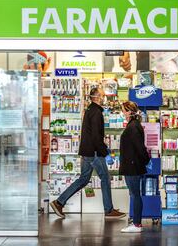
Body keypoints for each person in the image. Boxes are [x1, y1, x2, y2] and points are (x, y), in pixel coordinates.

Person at [50, 88, 126, 219]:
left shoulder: (90, 110)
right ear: (96, 97)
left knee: (83, 180)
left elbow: (91, 134)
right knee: (106, 178)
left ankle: (59, 202)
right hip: (94, 153)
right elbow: (96, 137)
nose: (104, 98)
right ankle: (108, 210)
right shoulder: (96, 112)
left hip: (87, 151)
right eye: (102, 95)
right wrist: (104, 153)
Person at [119, 101, 150, 233]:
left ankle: (137, 224)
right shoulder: (134, 125)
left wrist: (145, 160)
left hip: (132, 166)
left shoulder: (133, 127)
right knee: (134, 194)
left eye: (123, 111)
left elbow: (140, 148)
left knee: (135, 194)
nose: (122, 113)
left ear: (129, 111)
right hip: (132, 164)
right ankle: (136, 222)